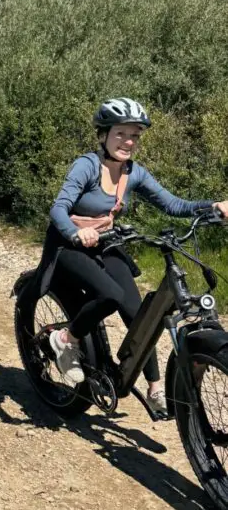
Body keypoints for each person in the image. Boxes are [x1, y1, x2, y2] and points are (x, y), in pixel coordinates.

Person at [30, 97, 228, 416]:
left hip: (104, 243)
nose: (128, 141)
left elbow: (172, 205)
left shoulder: (133, 173)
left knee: (140, 314)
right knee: (109, 295)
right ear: (105, 134)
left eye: (134, 135)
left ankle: (154, 388)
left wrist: (212, 207)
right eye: (121, 133)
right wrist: (75, 232)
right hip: (68, 245)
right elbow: (59, 208)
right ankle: (66, 339)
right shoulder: (87, 165)